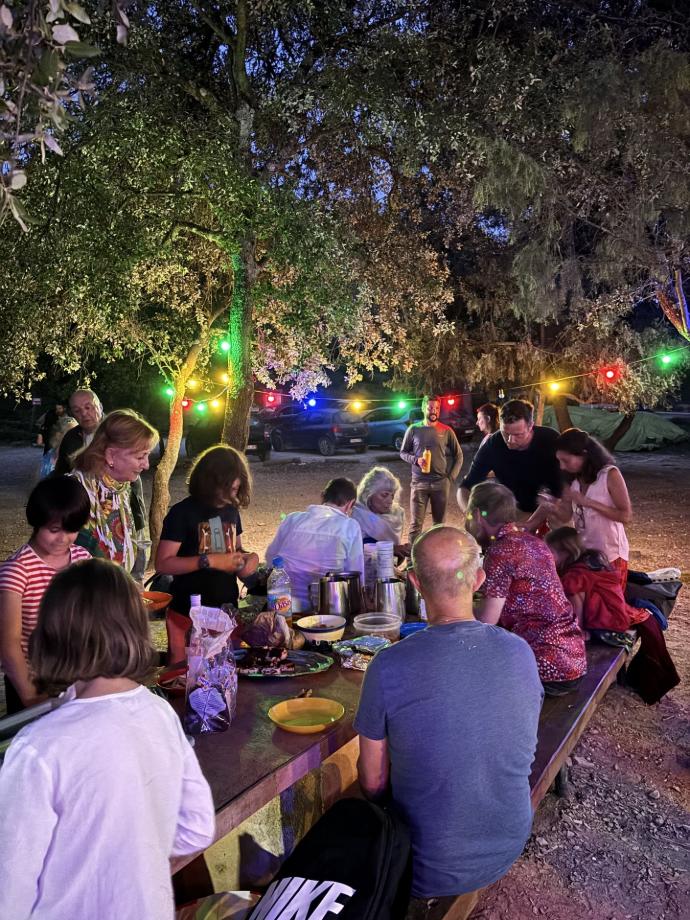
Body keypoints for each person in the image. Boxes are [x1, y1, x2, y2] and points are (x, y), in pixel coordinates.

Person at [0, 559, 215, 919]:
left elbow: (9, 893)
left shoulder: (38, 748)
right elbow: (197, 828)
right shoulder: (159, 712)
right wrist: (136, 856)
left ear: (52, 637)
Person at [355, 526, 542, 916]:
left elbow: (373, 783)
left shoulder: (387, 666)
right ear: (479, 579)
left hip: (426, 868)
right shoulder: (520, 651)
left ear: (413, 582)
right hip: (508, 840)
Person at [467, 481, 587, 695]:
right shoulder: (534, 542)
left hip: (545, 668)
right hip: (574, 661)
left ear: (477, 515)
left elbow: (487, 620)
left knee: (466, 670)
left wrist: (457, 609)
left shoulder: (500, 551)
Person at [546, 526, 679, 705]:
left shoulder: (575, 575)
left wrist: (578, 632)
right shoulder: (591, 561)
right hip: (617, 616)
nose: (547, 556)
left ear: (566, 552)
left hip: (607, 623)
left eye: (550, 552)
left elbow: (577, 606)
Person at [156, 446, 259, 663]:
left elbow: (236, 550)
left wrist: (248, 559)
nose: (232, 496)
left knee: (226, 672)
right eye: (227, 489)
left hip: (225, 612)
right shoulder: (182, 513)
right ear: (209, 483)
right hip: (188, 614)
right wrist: (209, 561)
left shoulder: (231, 510)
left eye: (236, 490)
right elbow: (163, 563)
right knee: (187, 675)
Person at [0, 477, 91, 714]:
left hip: (77, 676)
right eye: (54, 530)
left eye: (71, 530)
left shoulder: (82, 559)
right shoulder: (17, 570)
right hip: (34, 681)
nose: (63, 539)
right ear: (36, 521)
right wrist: (31, 696)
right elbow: (8, 643)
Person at [54, 387, 149, 552]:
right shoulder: (71, 438)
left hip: (125, 510)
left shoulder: (118, 431)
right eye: (77, 410)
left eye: (88, 407)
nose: (84, 414)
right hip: (89, 515)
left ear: (100, 405)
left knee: (132, 554)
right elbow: (61, 473)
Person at [70, 409, 158, 571]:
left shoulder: (120, 487)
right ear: (110, 455)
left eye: (147, 456)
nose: (146, 465)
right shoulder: (73, 492)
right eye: (140, 457)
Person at [265, 477, 364, 612]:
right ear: (350, 504)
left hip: (283, 606)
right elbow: (356, 575)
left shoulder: (292, 518)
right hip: (326, 609)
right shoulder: (350, 526)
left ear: (322, 496)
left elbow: (270, 557)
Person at [552, 428, 632, 586]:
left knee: (608, 600)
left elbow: (625, 516)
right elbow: (566, 516)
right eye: (559, 461)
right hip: (584, 554)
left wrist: (588, 502)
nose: (562, 467)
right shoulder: (573, 479)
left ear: (584, 455)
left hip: (610, 554)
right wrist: (552, 507)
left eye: (566, 461)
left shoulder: (609, 475)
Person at [458, 399, 562, 516]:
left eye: (518, 435)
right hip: (516, 511)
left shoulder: (551, 440)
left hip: (554, 510)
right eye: (505, 433)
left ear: (530, 426)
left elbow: (567, 485)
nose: (510, 440)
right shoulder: (493, 445)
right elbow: (465, 487)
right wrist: (470, 515)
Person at [400, 395, 463, 545]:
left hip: (440, 484)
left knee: (439, 526)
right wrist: (416, 460)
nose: (433, 411)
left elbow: (459, 455)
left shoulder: (446, 430)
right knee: (415, 526)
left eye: (437, 408)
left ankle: (437, 557)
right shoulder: (413, 429)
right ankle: (412, 557)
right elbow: (403, 452)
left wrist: (450, 479)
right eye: (430, 408)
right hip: (418, 484)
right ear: (423, 408)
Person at [352, 466, 409, 558]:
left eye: (392, 496)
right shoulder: (356, 514)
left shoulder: (396, 515)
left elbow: (396, 556)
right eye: (384, 495)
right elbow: (354, 548)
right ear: (369, 493)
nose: (390, 501)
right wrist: (390, 549)